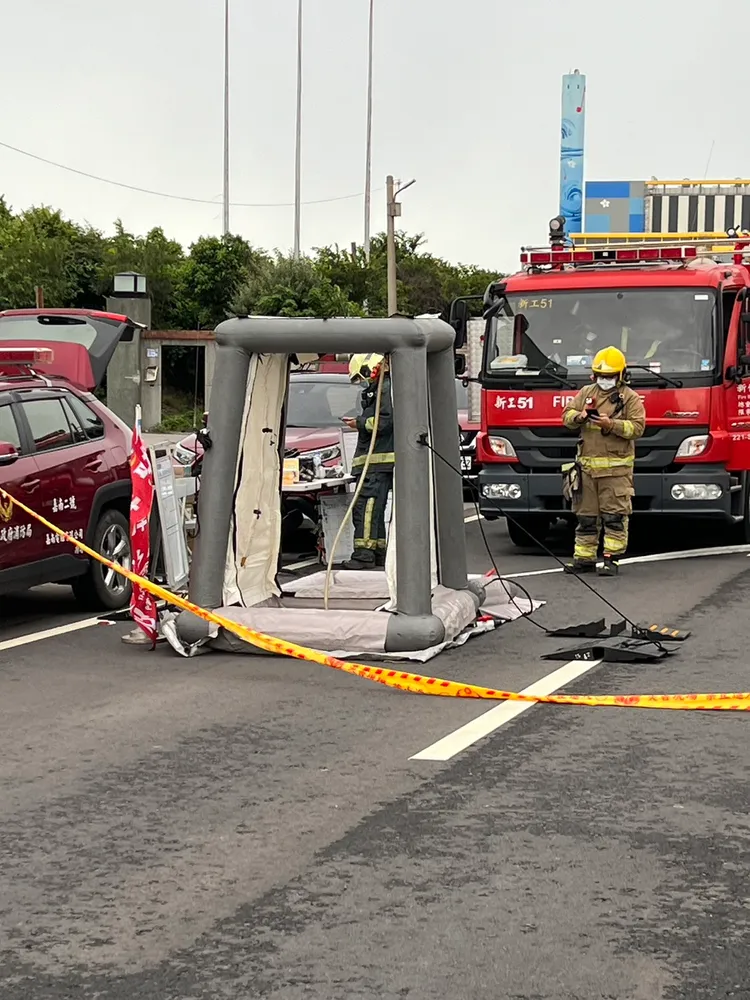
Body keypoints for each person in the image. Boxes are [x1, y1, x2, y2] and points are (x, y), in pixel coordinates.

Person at [561, 346, 646, 576]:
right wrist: (579, 416)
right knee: (585, 518)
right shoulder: (587, 392)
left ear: (620, 376)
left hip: (616, 473)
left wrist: (612, 425)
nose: (604, 380)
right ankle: (584, 559)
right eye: (600, 375)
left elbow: (637, 428)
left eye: (609, 376)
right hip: (586, 470)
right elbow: (566, 416)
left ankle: (611, 559)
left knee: (614, 517)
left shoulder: (629, 398)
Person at [340, 353, 394, 569]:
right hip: (375, 460)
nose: (363, 381)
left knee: (367, 506)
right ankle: (378, 551)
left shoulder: (385, 389)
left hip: (377, 461)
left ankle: (364, 554)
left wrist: (359, 423)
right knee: (375, 507)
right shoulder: (383, 388)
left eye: (362, 376)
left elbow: (384, 423)